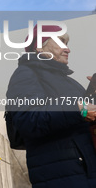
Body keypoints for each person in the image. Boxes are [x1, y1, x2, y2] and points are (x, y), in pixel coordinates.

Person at [6, 24, 96, 187]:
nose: (68, 49)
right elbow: (28, 120)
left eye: (67, 44)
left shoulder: (72, 83)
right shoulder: (25, 74)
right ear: (39, 47)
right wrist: (79, 109)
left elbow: (84, 117)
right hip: (63, 178)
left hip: (87, 173)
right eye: (61, 42)